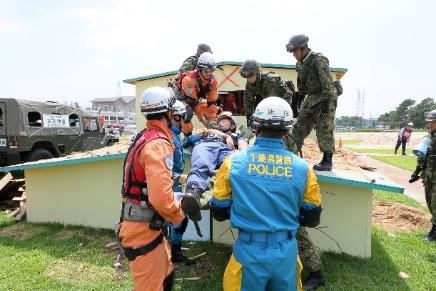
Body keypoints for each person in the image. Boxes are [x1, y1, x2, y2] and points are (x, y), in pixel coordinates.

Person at [211, 97, 322, 291]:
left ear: (255, 126)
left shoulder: (232, 163)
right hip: (286, 253)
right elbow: (312, 217)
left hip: (248, 252)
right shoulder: (303, 168)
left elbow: (219, 211)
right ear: (288, 130)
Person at [117, 87, 187, 291]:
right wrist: (181, 212)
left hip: (150, 228)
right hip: (142, 229)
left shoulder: (147, 136)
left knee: (166, 277)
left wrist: (181, 178)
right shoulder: (158, 144)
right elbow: (161, 199)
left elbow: (151, 179)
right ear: (169, 112)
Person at [181, 111, 248, 223]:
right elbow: (187, 142)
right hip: (207, 147)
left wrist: (237, 152)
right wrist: (224, 136)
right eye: (219, 121)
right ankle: (193, 193)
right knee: (200, 165)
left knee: (231, 168)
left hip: (226, 151)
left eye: (224, 120)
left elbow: (243, 148)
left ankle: (220, 204)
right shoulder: (209, 133)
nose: (220, 123)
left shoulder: (238, 135)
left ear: (232, 125)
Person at [286, 34, 340, 171]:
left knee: (324, 126)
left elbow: (327, 83)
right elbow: (302, 83)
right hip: (311, 98)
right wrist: (300, 97)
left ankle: (327, 161)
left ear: (303, 48)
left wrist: (327, 104)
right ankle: (290, 154)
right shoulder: (299, 64)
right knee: (299, 126)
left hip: (326, 96)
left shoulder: (318, 59)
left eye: (294, 51)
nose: (293, 55)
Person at [168, 100, 195, 265]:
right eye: (184, 118)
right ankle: (173, 254)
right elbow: (164, 166)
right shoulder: (169, 136)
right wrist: (180, 177)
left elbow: (180, 146)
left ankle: (174, 253)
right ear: (177, 116)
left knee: (179, 220)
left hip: (175, 185)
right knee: (177, 220)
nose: (186, 121)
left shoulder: (175, 135)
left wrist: (198, 137)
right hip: (169, 186)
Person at [239, 59, 294, 127]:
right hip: (268, 98)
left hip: (283, 98)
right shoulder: (249, 84)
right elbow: (248, 103)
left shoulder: (270, 80)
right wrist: (250, 123)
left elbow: (272, 103)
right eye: (247, 77)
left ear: (257, 73)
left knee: (277, 121)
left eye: (251, 76)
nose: (249, 79)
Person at [176, 52, 220, 134]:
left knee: (217, 110)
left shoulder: (213, 81)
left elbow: (211, 102)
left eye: (211, 71)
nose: (209, 74)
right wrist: (203, 120)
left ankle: (217, 132)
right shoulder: (188, 80)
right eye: (206, 71)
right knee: (187, 113)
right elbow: (193, 103)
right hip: (183, 100)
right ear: (199, 69)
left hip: (195, 99)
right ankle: (187, 136)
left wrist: (212, 121)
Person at [409, 109, 436, 241]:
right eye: (428, 122)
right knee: (430, 203)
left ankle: (434, 231)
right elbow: (421, 158)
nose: (429, 124)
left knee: (435, 203)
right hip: (428, 177)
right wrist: (416, 172)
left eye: (432, 122)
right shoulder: (427, 138)